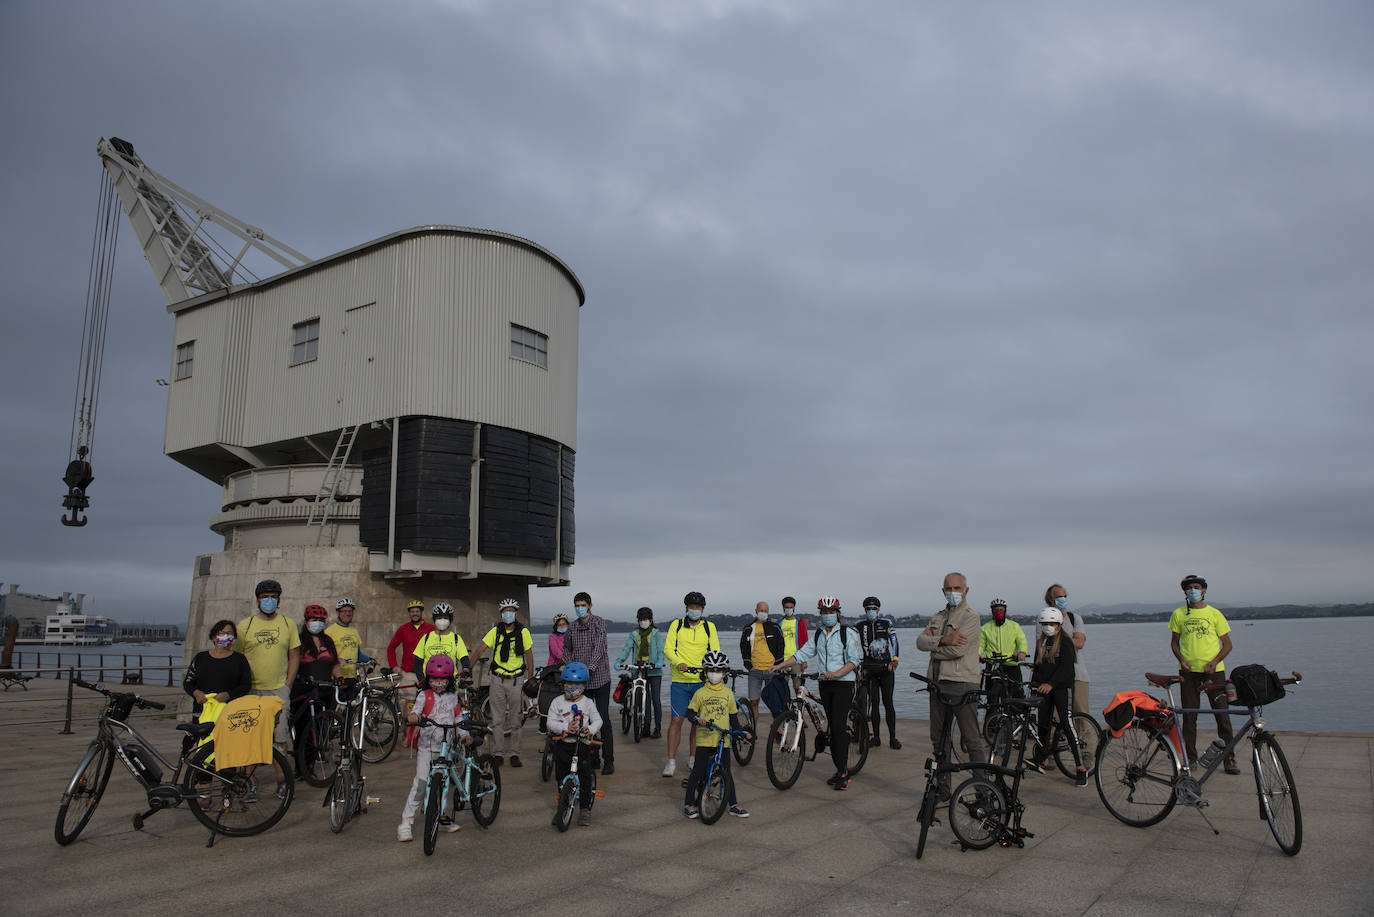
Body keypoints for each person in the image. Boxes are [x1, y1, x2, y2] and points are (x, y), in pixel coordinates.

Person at [771, 596, 862, 790]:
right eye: (824, 612)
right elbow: (802, 654)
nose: (828, 615)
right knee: (831, 724)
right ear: (820, 614)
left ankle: (843, 773)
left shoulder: (848, 633)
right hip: (825, 683)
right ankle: (837, 763)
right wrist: (780, 665)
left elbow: (854, 661)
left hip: (843, 684)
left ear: (838, 613)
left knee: (837, 727)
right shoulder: (819, 634)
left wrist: (836, 673)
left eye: (831, 612)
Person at [915, 573, 987, 797]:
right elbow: (919, 642)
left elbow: (959, 650)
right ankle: (943, 790)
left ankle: (984, 793)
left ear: (966, 590)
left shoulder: (971, 617)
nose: (953, 592)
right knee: (939, 741)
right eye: (949, 588)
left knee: (972, 740)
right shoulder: (938, 616)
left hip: (962, 685)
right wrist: (944, 639)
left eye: (957, 588)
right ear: (943, 591)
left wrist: (933, 645)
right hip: (937, 685)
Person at [234, 579, 300, 799]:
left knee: (280, 737)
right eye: (264, 597)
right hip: (251, 690)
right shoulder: (246, 626)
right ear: (257, 600)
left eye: (273, 596)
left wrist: (288, 685)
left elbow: (294, 655)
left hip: (278, 690)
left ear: (279, 599)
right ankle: (249, 783)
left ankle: (282, 781)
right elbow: (237, 657)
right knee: (250, 738)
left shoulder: (287, 624)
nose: (269, 601)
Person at [1168, 574, 1238, 774]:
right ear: (1185, 592)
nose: (1193, 591)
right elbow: (1174, 642)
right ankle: (1190, 759)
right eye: (1189, 588)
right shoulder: (1179, 614)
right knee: (1190, 718)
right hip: (1188, 673)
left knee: (1222, 716)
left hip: (1214, 673)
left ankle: (1229, 758)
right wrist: (1181, 660)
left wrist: (1215, 661)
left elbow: (1227, 644)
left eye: (1197, 587)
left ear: (1204, 590)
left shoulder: (1215, 614)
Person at [397, 655, 469, 842]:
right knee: (421, 784)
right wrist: (414, 716)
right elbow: (416, 711)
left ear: (449, 680)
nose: (438, 683)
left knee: (443, 785)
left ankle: (441, 817)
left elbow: (458, 718)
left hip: (445, 748)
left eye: (442, 679)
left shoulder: (453, 697)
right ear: (428, 679)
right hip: (427, 747)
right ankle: (406, 821)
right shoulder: (424, 695)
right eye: (434, 679)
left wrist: (463, 734)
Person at [683, 650, 751, 819]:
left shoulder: (728, 694)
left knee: (727, 773)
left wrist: (741, 732)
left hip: (723, 741)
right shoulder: (700, 693)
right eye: (711, 670)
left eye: (719, 670)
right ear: (705, 672)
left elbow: (733, 718)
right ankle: (689, 804)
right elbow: (690, 713)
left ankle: (733, 805)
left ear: (725, 673)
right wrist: (696, 720)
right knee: (697, 771)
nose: (715, 674)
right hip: (704, 740)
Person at [661, 590, 720, 778]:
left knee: (697, 723)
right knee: (676, 720)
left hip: (701, 682)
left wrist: (711, 670)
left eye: (698, 607)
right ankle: (671, 761)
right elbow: (668, 649)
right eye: (692, 607)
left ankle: (693, 758)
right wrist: (678, 662)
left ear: (702, 609)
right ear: (686, 608)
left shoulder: (709, 627)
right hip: (680, 680)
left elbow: (715, 651)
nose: (695, 610)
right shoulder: (676, 626)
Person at [1025, 608, 1087, 786]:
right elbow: (1038, 666)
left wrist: (1051, 684)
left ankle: (1080, 767)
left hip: (1061, 689)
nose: (1048, 627)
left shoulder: (1066, 642)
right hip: (1044, 690)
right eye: (1044, 624)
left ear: (1059, 625)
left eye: (1051, 624)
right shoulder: (1041, 643)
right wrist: (1034, 684)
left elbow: (1066, 669)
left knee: (1066, 724)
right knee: (1043, 724)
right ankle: (1041, 759)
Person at [470, 598, 534, 767]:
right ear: (501, 614)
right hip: (497, 679)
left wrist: (531, 676)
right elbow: (480, 650)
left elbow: (528, 654)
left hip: (516, 680)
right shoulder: (495, 631)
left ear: (516, 613)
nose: (508, 614)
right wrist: (467, 668)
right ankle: (498, 753)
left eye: (511, 611)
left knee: (515, 720)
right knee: (497, 720)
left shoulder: (523, 632)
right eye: (505, 611)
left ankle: (514, 753)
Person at [562, 591, 615, 775]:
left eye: (583, 605)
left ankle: (609, 760)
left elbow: (600, 648)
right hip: (581, 683)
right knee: (583, 719)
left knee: (602, 720)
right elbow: (566, 649)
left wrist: (588, 668)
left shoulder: (599, 623)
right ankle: (592, 758)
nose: (579, 608)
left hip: (600, 679)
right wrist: (572, 668)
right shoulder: (572, 628)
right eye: (577, 605)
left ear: (590, 606)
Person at [545, 661, 603, 827]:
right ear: (563, 684)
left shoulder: (588, 703)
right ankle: (561, 807)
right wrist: (564, 727)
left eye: (577, 684)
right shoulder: (557, 702)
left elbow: (598, 720)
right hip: (563, 744)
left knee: (585, 777)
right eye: (569, 683)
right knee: (561, 777)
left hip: (582, 745)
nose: (572, 687)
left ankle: (584, 809)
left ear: (584, 685)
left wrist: (590, 729)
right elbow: (550, 723)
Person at [182, 619, 253, 725]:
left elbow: (246, 685)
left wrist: (228, 695)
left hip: (229, 713)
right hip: (202, 711)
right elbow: (188, 682)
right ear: (214, 637)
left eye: (230, 633)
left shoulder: (240, 659)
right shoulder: (201, 658)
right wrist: (196, 693)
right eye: (222, 633)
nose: (226, 636)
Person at [855, 596, 901, 750]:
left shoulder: (886, 623)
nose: (871, 611)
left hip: (886, 669)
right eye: (868, 609)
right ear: (864, 610)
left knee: (888, 703)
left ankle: (893, 738)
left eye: (874, 609)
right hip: (870, 670)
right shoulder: (859, 625)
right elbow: (852, 644)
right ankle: (876, 737)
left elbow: (894, 640)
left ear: (878, 610)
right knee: (874, 704)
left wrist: (895, 659)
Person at [615, 606, 666, 738]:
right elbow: (627, 649)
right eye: (641, 619)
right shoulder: (634, 634)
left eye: (646, 619)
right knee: (645, 699)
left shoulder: (656, 633)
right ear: (638, 620)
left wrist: (660, 661)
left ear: (651, 620)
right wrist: (619, 660)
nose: (644, 622)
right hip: (639, 669)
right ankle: (646, 727)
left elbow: (661, 650)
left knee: (655, 699)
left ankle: (658, 728)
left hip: (654, 670)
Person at [1045, 584, 1089, 717]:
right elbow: (1043, 645)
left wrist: (1058, 642)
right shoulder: (1043, 619)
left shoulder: (1075, 618)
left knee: (1081, 714)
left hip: (1078, 674)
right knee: (1054, 716)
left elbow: (1080, 643)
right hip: (1053, 676)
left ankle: (1083, 739)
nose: (1063, 599)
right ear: (1050, 600)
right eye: (1059, 597)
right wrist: (1070, 641)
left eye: (1065, 596)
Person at [738, 601, 783, 728]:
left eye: (765, 610)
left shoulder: (775, 627)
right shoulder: (748, 628)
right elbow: (743, 647)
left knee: (775, 702)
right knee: (754, 702)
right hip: (755, 671)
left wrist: (777, 665)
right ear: (756, 611)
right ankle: (753, 731)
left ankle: (777, 731)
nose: (763, 612)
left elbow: (781, 646)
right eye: (761, 610)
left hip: (771, 670)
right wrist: (748, 665)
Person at [979, 598, 1028, 708]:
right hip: (993, 665)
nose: (999, 612)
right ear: (992, 611)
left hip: (1011, 664)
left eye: (1001, 609)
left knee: (1017, 695)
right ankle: (992, 720)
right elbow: (981, 644)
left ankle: (1021, 718)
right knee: (991, 697)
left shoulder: (1014, 626)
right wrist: (977, 654)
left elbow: (1021, 640)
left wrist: (1022, 652)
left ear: (1005, 610)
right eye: (996, 610)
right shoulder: (985, 628)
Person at [385, 600, 434, 699]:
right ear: (409, 613)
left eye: (417, 611)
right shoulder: (403, 629)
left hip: (427, 674)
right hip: (409, 674)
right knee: (409, 704)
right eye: (412, 612)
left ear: (421, 612)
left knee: (428, 704)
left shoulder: (431, 629)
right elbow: (391, 647)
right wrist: (394, 665)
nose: (415, 614)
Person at [293, 604, 342, 698]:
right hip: (304, 690)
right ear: (306, 622)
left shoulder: (328, 641)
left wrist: (340, 678)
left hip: (326, 688)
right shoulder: (298, 640)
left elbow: (334, 663)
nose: (318, 623)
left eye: (321, 621)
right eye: (314, 620)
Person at [412, 602, 471, 679]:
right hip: (429, 684)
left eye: (446, 618)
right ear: (434, 619)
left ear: (450, 620)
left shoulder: (456, 638)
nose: (442, 621)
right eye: (439, 618)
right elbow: (417, 662)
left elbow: (464, 658)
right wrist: (421, 679)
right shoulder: (426, 638)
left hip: (450, 684)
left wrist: (465, 670)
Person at [327, 597, 373, 689]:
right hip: (337, 677)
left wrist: (371, 659)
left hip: (352, 676)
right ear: (338, 613)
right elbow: (326, 654)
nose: (347, 614)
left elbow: (358, 654)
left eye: (350, 611)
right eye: (344, 611)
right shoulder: (329, 631)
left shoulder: (354, 631)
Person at [778, 596, 808, 661]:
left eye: (791, 607)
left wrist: (804, 660)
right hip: (782, 660)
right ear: (783, 608)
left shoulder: (800, 622)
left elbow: (805, 642)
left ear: (794, 608)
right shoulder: (778, 623)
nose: (789, 609)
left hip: (797, 659)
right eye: (787, 607)